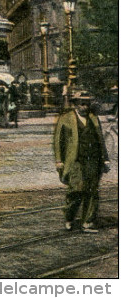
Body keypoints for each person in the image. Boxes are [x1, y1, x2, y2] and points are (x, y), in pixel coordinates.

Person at [54, 90, 110, 233]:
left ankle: (88, 222)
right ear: (76, 105)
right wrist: (59, 160)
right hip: (76, 161)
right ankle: (69, 217)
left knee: (92, 191)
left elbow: (100, 139)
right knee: (76, 190)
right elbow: (58, 141)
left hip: (93, 159)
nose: (85, 107)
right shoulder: (66, 118)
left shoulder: (93, 118)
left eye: (87, 104)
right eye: (82, 104)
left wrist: (105, 159)